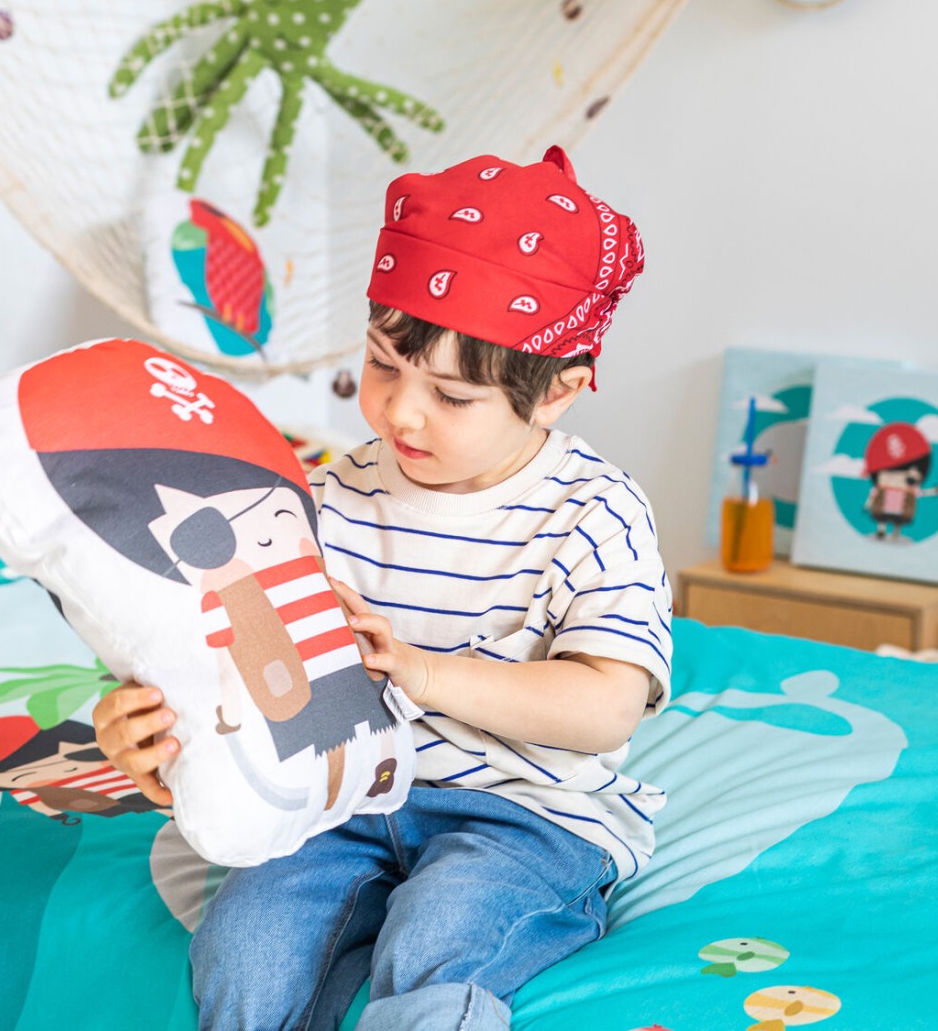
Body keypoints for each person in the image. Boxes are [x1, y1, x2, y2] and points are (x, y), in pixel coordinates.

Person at [92, 145, 673, 1030]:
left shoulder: (596, 511)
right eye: (383, 365)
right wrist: (156, 744)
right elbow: (240, 677)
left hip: (526, 817)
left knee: (441, 933)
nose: (402, 411)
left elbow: (606, 708)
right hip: (341, 805)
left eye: (453, 396)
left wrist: (425, 673)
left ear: (557, 393)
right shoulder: (315, 500)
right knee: (245, 948)